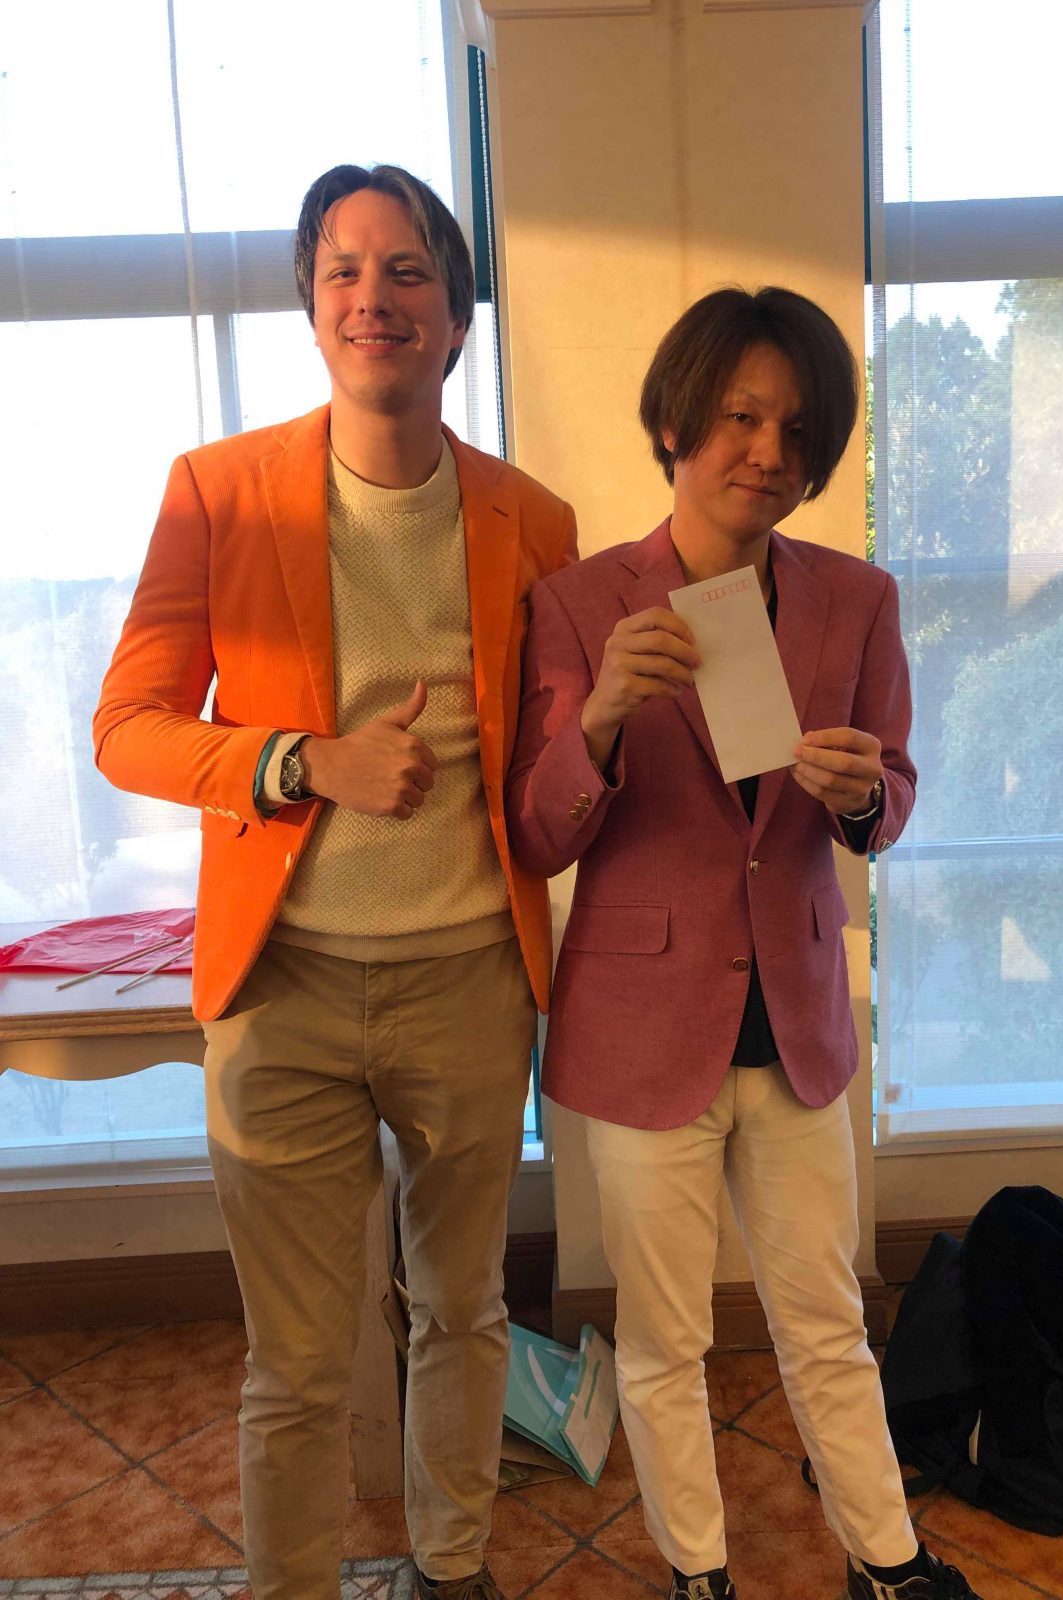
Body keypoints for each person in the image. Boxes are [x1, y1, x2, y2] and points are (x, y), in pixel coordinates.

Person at [93, 163, 576, 1600]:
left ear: (457, 317)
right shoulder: (218, 494)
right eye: (345, 270)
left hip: (471, 981)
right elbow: (127, 729)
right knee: (296, 1360)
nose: (376, 296)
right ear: (311, 307)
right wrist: (302, 762)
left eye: (409, 269)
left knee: (464, 1311)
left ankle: (454, 1566)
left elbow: (549, 762)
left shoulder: (534, 519)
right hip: (281, 989)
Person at [505, 287, 982, 1600]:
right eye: (740, 417)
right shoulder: (579, 604)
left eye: (797, 429)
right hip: (643, 1025)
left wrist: (865, 797)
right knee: (663, 1335)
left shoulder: (857, 599)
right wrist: (599, 716)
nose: (769, 452)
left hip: (799, 1016)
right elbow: (538, 832)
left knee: (827, 1317)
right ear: (677, 422)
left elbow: (891, 791)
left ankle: (885, 1557)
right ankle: (698, 1573)